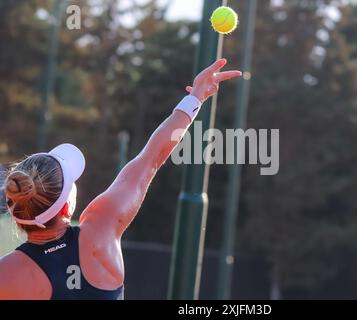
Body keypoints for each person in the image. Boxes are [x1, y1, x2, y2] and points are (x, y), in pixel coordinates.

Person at [0, 58, 241, 300]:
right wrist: (195, 97)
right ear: (65, 207)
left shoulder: (7, 273)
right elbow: (151, 159)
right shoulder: (100, 228)